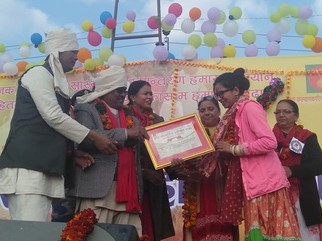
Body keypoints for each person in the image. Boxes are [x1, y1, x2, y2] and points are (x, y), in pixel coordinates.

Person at [0, 28, 116, 222]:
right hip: (28, 171)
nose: (76, 57)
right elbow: (53, 117)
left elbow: (52, 129)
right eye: (73, 52)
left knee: (37, 233)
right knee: (29, 234)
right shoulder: (38, 74)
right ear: (58, 51)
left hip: (42, 170)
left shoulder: (55, 81)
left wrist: (71, 153)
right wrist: (94, 137)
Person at [201, 68, 302, 240]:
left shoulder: (249, 108)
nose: (220, 98)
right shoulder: (235, 112)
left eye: (221, 93)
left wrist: (234, 149)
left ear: (235, 90)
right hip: (254, 184)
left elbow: (269, 142)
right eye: (217, 95)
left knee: (274, 234)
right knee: (259, 234)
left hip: (267, 185)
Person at [67, 66, 148, 236]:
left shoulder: (129, 114)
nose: (122, 95)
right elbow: (85, 138)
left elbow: (140, 136)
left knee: (130, 236)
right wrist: (126, 133)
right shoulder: (86, 109)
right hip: (99, 190)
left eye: (124, 91)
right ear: (106, 90)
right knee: (96, 237)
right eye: (118, 91)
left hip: (129, 190)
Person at [127, 80, 175, 241]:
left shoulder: (158, 119)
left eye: (151, 93)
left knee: (154, 228)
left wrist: (177, 166)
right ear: (133, 97)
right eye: (145, 93)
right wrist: (141, 172)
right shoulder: (124, 117)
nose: (149, 97)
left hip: (155, 181)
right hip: (132, 181)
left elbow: (165, 150)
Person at [273, 99, 322, 240]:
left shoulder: (307, 137)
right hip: (276, 197)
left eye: (286, 112)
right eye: (278, 112)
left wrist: (292, 171)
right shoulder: (268, 139)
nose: (281, 115)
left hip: (303, 196)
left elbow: (319, 165)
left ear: (295, 116)